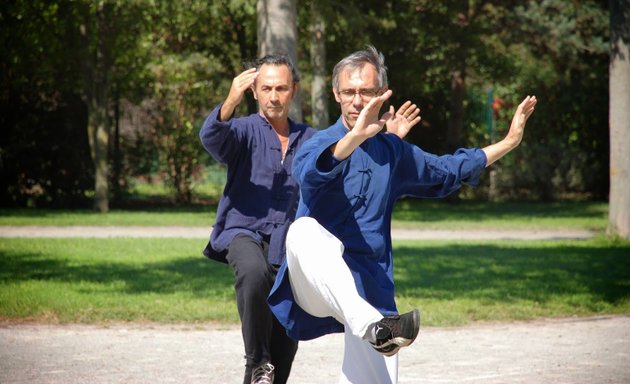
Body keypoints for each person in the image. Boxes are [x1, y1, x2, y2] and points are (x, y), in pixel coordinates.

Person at [268, 46, 537, 383]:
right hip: (314, 285)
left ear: (381, 94)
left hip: (370, 291)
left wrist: (509, 141)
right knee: (303, 231)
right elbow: (309, 175)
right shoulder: (318, 142)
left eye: (365, 92)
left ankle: (374, 327)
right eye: (349, 92)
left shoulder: (392, 152)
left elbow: (446, 169)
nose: (356, 100)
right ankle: (371, 326)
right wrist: (354, 138)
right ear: (336, 94)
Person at [199, 53, 420, 384]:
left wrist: (388, 139)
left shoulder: (309, 138)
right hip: (242, 232)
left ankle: (263, 369)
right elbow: (213, 139)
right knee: (253, 272)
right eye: (266, 88)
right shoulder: (243, 130)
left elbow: (349, 161)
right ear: (254, 92)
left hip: (287, 245)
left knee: (283, 346)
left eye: (282, 88)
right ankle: (257, 360)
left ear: (294, 91)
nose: (274, 96)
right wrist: (230, 101)